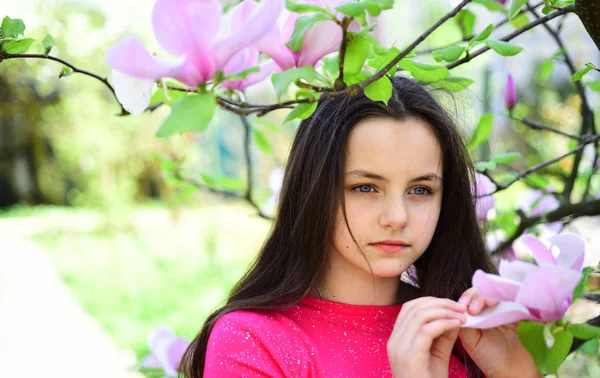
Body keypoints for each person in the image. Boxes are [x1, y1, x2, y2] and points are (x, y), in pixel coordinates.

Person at [180, 77, 540, 378]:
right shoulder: (255, 340)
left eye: (421, 190)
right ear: (315, 189)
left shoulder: (474, 333)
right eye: (365, 188)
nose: (397, 216)